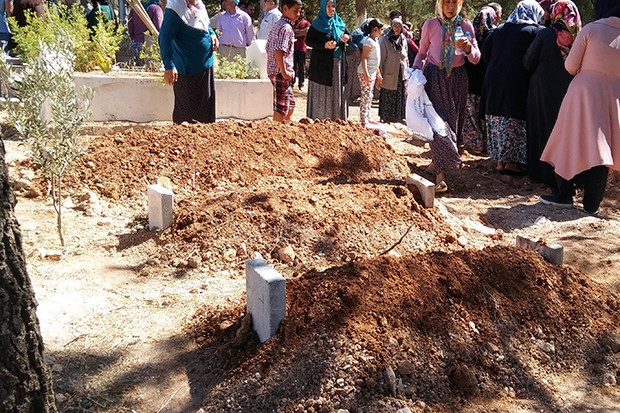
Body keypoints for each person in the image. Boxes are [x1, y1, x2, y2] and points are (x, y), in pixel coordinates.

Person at [539, 0, 620, 215]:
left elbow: (571, 66)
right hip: (614, 99)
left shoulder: (591, 29)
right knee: (602, 150)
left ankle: (564, 195)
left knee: (569, 139)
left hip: (583, 95)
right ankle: (592, 204)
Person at [413, 0, 480, 192]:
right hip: (435, 77)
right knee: (438, 125)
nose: (450, 7)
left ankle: (435, 164)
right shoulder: (430, 25)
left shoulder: (465, 26)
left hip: (458, 81)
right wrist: (415, 71)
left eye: (454, 2)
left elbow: (476, 59)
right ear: (440, 4)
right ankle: (439, 176)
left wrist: (468, 48)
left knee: (452, 125)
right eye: (447, 2)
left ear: (460, 4)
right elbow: (422, 53)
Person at [481, 0, 543, 175]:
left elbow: (485, 50)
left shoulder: (499, 29)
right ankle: (513, 162)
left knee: (498, 116)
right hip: (517, 79)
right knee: (514, 116)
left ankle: (500, 161)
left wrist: (495, 64)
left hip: (493, 77)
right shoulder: (535, 31)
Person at [523, 0, 581, 186]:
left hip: (542, 86)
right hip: (570, 86)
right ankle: (567, 175)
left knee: (541, 126)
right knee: (565, 129)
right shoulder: (580, 36)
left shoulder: (545, 33)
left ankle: (540, 173)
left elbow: (528, 61)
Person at [159, 0, 219, 124]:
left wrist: (212, 34)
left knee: (205, 112)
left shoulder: (198, 4)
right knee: (187, 116)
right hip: (188, 71)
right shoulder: (176, 8)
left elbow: (204, 24)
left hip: (206, 66)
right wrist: (169, 66)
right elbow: (164, 37)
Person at [305, 0, 350, 120]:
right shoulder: (316, 24)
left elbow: (349, 36)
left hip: (338, 64)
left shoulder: (339, 23)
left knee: (337, 90)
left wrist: (347, 38)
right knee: (323, 91)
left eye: (333, 6)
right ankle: (320, 119)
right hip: (322, 66)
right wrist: (324, 45)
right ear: (323, 8)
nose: (331, 9)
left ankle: (337, 118)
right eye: (328, 6)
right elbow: (309, 41)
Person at [462, 5, 496, 154]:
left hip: (470, 79)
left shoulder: (470, 35)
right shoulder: (493, 35)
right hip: (484, 82)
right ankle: (485, 144)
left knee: (470, 114)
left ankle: (474, 143)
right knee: (482, 113)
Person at [265, 0, 302, 122]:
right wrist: (284, 71)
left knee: (290, 105)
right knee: (281, 108)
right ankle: (277, 129)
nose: (298, 14)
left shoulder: (278, 25)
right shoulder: (286, 28)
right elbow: (279, 51)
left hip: (277, 70)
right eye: (295, 11)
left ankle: (286, 128)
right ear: (285, 9)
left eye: (299, 11)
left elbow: (268, 47)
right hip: (280, 73)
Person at [378, 17, 408, 124]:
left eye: (399, 26)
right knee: (388, 94)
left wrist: (407, 71)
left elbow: (406, 57)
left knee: (399, 95)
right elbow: (381, 59)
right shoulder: (385, 40)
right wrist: (379, 74)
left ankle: (398, 117)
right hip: (388, 73)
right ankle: (386, 117)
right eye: (395, 26)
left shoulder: (403, 39)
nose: (397, 28)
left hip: (400, 73)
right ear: (391, 27)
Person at [357, 18, 383, 126]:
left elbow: (375, 60)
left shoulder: (375, 41)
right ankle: (363, 119)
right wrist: (366, 74)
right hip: (365, 72)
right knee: (365, 96)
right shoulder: (368, 41)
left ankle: (368, 116)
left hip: (372, 72)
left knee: (370, 95)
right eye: (381, 29)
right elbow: (364, 58)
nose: (382, 32)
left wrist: (378, 73)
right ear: (375, 29)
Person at [127, 0, 163, 65]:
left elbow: (130, 27)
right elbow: (159, 28)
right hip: (150, 47)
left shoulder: (134, 9)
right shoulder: (156, 9)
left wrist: (135, 39)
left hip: (135, 45)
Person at [292, 6, 310, 90]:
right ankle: (292, 83)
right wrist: (301, 32)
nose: (301, 14)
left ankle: (301, 84)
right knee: (293, 67)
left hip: (302, 48)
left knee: (301, 67)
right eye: (300, 12)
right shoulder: (293, 22)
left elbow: (307, 32)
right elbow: (292, 32)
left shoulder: (306, 23)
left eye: (302, 12)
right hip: (293, 48)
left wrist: (296, 32)